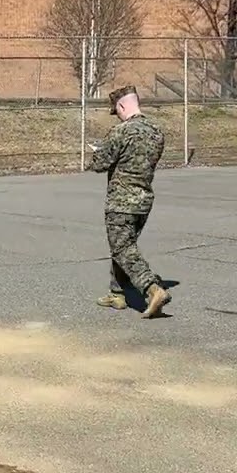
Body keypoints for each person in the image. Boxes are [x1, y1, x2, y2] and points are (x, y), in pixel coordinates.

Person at [88, 85, 171, 318]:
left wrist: (98, 151)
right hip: (144, 198)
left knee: (123, 248)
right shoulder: (156, 131)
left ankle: (152, 289)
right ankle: (117, 293)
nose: (119, 116)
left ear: (122, 106)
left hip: (121, 200)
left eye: (117, 111)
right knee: (124, 245)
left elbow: (99, 164)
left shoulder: (121, 131)